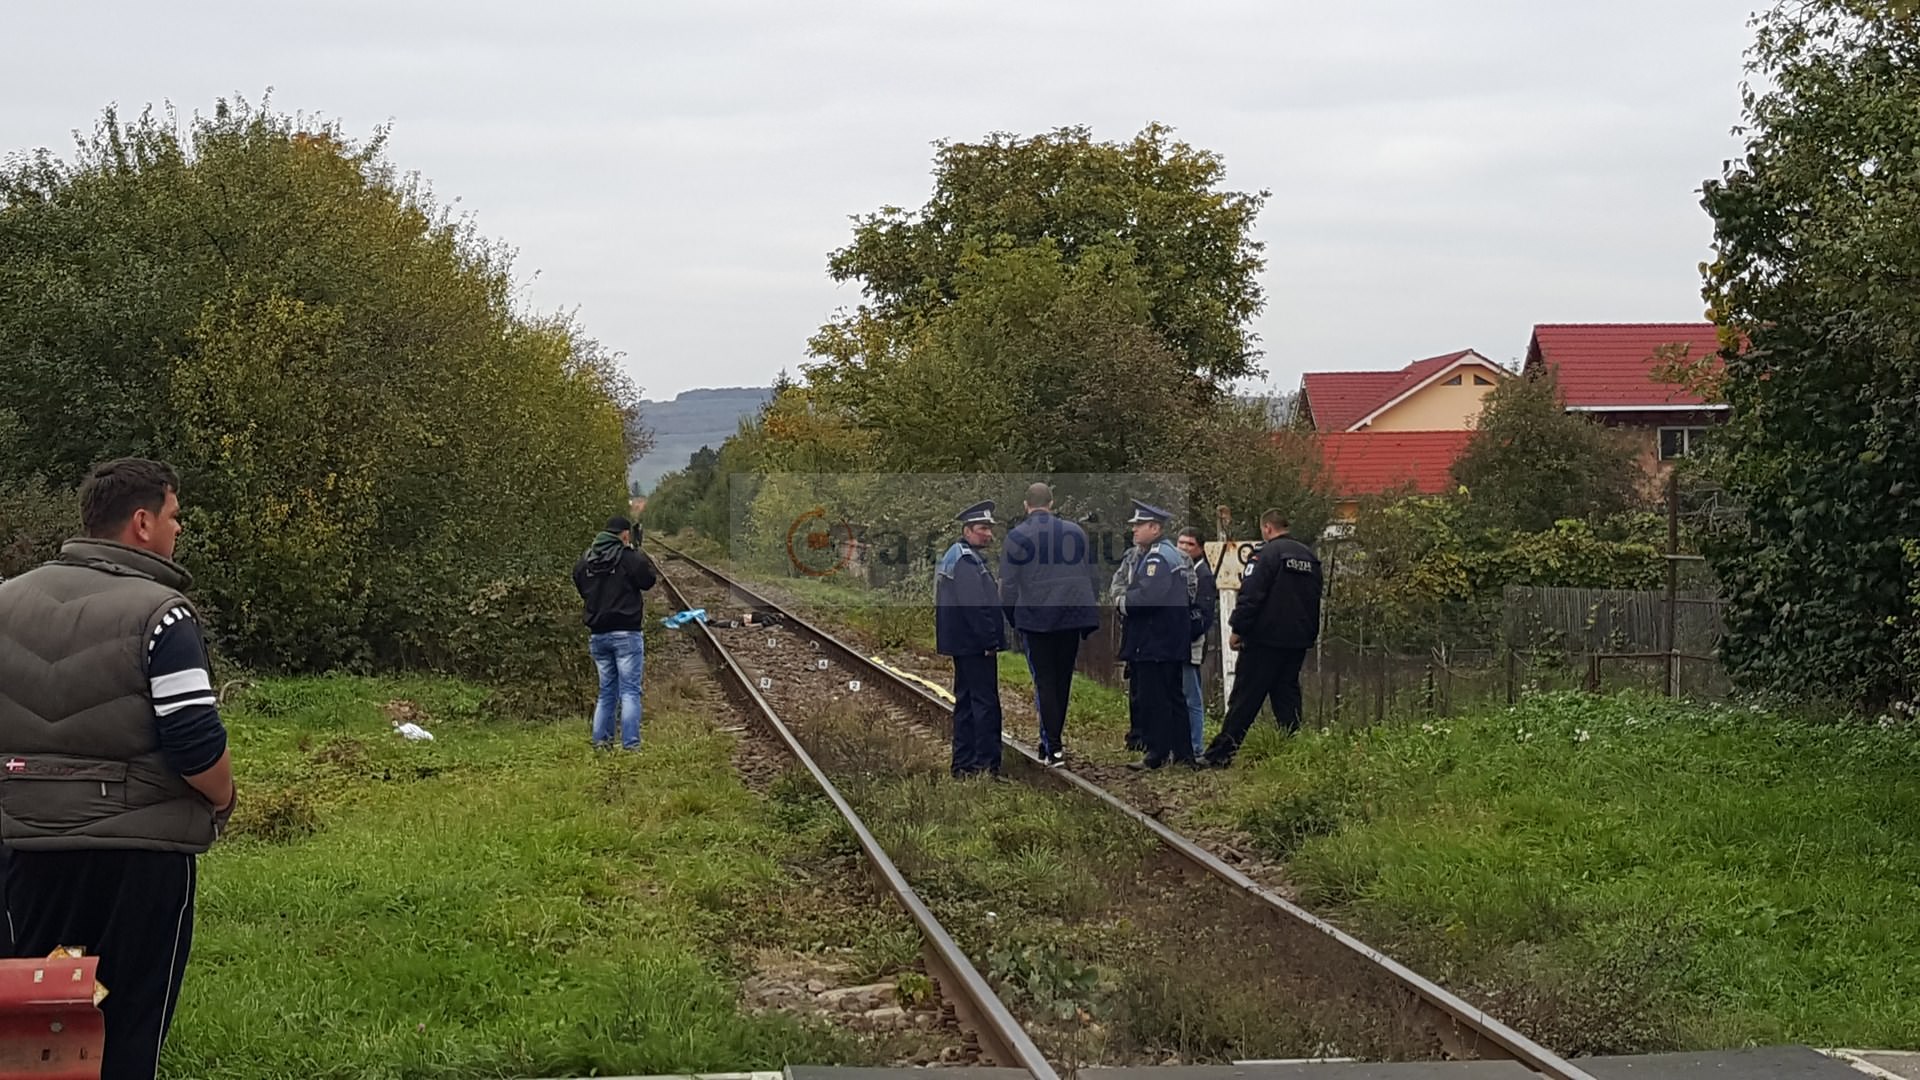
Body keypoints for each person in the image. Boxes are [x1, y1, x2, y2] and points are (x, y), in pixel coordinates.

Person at [0, 458, 236, 1080]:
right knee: (127, 1023)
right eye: (173, 516)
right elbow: (194, 744)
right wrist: (223, 796)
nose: (177, 530)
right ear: (141, 521)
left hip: (25, 852)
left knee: (40, 1027)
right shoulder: (164, 613)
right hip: (139, 857)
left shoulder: (6, 601)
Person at [1203, 510, 1324, 768]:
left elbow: (1251, 595)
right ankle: (1291, 750)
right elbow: (1315, 599)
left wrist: (1238, 628)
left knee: (1245, 697)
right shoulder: (1309, 557)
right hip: (1297, 640)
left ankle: (1220, 754)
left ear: (1267, 528)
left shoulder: (1265, 555)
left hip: (1264, 639)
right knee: (1286, 695)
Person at [999, 483, 1099, 767]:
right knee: (1062, 679)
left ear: (1025, 505)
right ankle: (1052, 741)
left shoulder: (1017, 536)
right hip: (1070, 617)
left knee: (1044, 681)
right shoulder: (1076, 532)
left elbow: (1008, 585)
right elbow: (1091, 575)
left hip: (1037, 619)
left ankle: (1052, 745)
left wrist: (1013, 618)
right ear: (1052, 503)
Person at [1117, 501, 1196, 770]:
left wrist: (1121, 601)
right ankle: (1183, 754)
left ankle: (1157, 753)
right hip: (1168, 640)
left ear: (1155, 527)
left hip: (1156, 641)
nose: (1134, 531)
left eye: (1139, 525)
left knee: (1156, 698)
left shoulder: (1156, 558)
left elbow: (1148, 597)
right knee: (1173, 697)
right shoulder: (1168, 553)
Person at [572, 515, 658, 751]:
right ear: (625, 534)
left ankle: (601, 742)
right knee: (630, 691)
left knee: (606, 691)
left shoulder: (586, 559)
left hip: (598, 635)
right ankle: (630, 745)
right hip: (627, 633)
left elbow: (579, 583)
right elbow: (648, 580)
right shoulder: (628, 557)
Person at [936, 500, 1007, 777]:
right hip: (975, 645)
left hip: (963, 644)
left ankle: (963, 763)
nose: (987, 534)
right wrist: (990, 641)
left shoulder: (961, 555)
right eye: (982, 528)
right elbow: (975, 607)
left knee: (966, 702)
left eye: (989, 529)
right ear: (967, 530)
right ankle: (986, 765)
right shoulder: (966, 561)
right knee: (984, 703)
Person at [1175, 527, 1219, 758]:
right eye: (1180, 543)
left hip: (1190, 644)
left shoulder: (1203, 576)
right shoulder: (1180, 571)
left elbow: (1203, 615)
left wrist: (1183, 634)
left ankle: (1195, 746)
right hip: (1176, 644)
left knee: (1192, 696)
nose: (1183, 547)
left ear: (1200, 548)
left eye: (1189, 544)